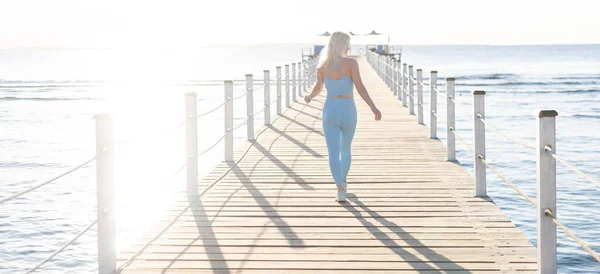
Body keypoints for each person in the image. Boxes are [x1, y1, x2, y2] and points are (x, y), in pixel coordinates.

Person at [304, 31, 382, 202]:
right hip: (348, 109)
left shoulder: (322, 66)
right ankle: (343, 181)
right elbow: (360, 87)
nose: (349, 47)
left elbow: (318, 88)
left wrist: (309, 97)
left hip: (330, 109)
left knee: (333, 152)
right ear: (342, 45)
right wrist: (373, 107)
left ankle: (340, 188)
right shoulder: (351, 63)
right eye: (347, 43)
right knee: (345, 149)